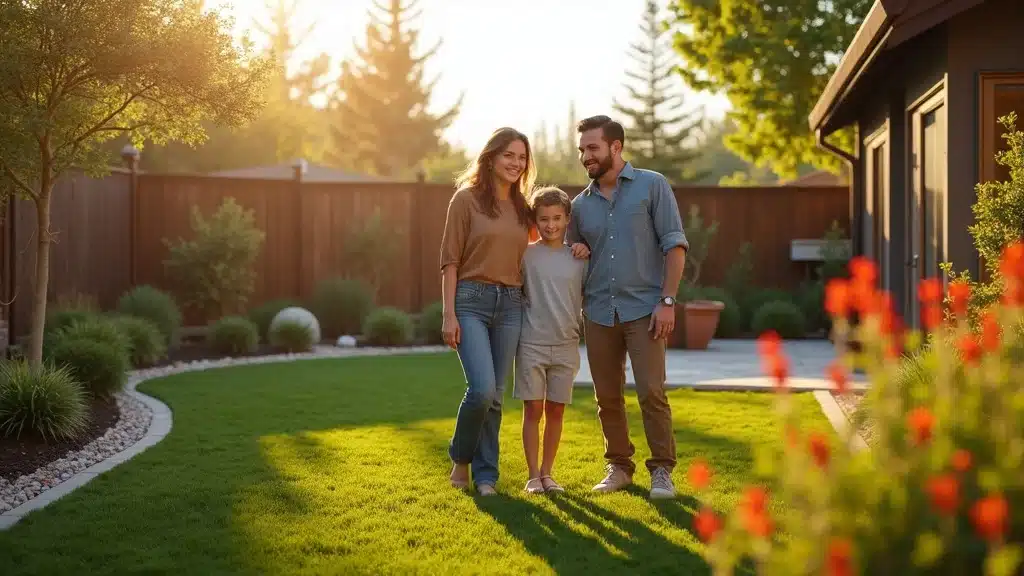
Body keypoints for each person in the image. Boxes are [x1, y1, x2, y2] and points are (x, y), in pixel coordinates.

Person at [567, 115, 688, 499]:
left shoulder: (652, 186)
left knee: (651, 391)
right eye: (582, 149)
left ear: (616, 147)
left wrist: (667, 301)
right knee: (606, 396)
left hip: (645, 309)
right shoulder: (579, 206)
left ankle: (662, 471)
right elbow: (569, 256)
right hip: (600, 310)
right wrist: (577, 251)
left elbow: (675, 245)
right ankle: (619, 466)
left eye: (593, 148)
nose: (586, 156)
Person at [438, 127, 536, 496]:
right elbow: (449, 261)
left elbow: (542, 247)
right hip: (471, 301)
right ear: (491, 158)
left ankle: (486, 477)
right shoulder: (466, 200)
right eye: (509, 155)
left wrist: (573, 249)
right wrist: (449, 314)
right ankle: (460, 458)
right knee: (480, 390)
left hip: (511, 304)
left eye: (522, 157)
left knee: (495, 395)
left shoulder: (524, 208)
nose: (516, 163)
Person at [514, 186, 589, 494]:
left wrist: (584, 248)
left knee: (556, 410)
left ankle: (548, 473)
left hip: (566, 345)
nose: (550, 225)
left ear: (567, 219)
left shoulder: (580, 258)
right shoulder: (526, 254)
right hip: (531, 343)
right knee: (533, 409)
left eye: (557, 218)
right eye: (544, 219)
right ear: (536, 220)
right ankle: (533, 475)